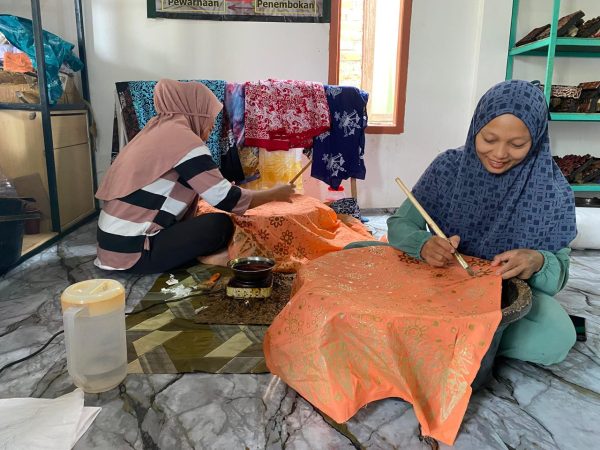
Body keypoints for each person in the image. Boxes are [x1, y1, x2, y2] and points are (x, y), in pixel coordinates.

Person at [387, 80, 577, 365]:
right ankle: (467, 338)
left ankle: (440, 335)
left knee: (557, 337)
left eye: (517, 145)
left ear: (537, 139)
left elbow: (557, 276)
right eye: (489, 139)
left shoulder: (553, 190)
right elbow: (400, 224)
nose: (499, 154)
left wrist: (537, 261)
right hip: (441, 281)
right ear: (476, 128)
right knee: (356, 254)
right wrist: (424, 245)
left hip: (503, 297)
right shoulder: (448, 167)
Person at [94, 79, 294, 274]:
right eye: (211, 117)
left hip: (112, 247)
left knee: (195, 221)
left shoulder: (156, 130)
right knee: (219, 225)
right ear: (196, 111)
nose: (213, 126)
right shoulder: (183, 139)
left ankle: (196, 257)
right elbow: (227, 199)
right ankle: (205, 258)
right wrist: (276, 194)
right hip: (134, 252)